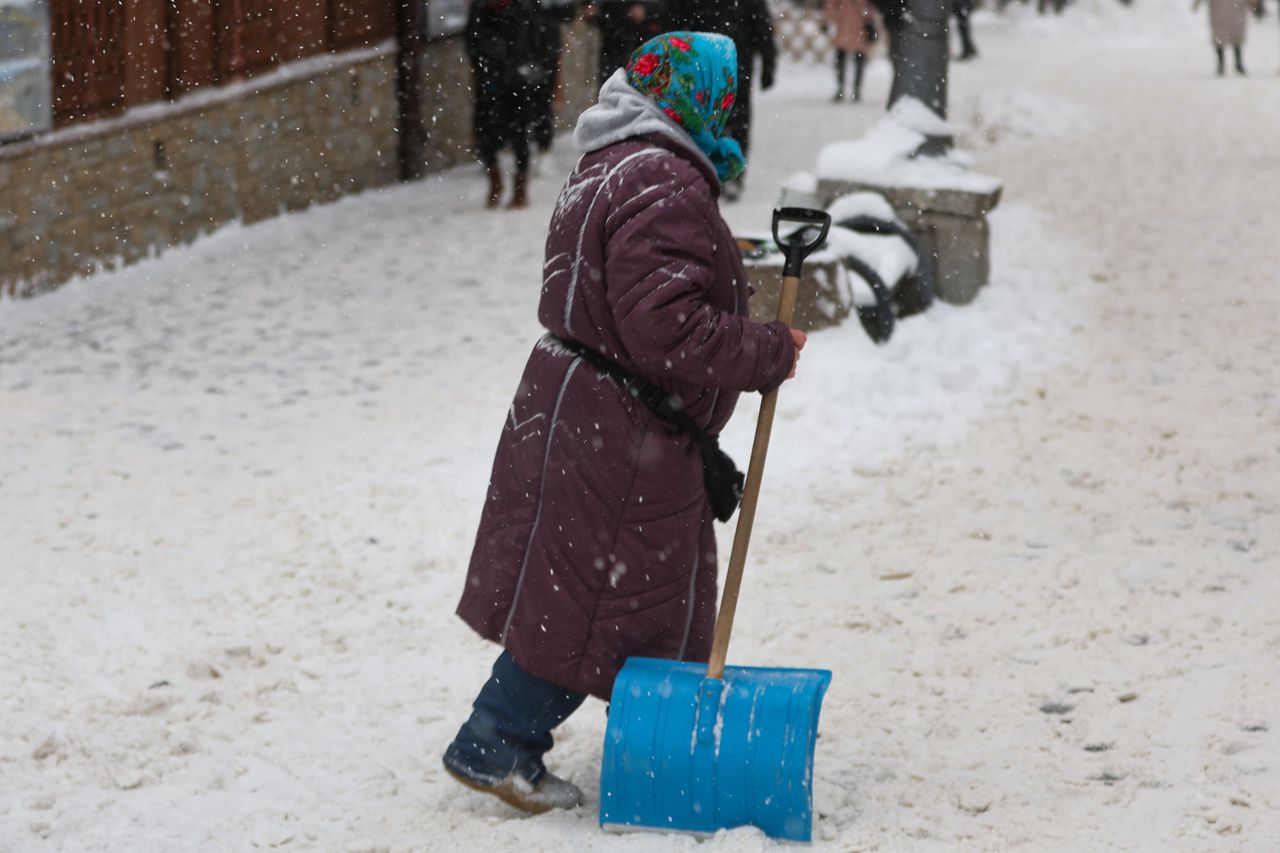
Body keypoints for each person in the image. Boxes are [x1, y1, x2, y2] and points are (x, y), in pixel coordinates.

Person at [442, 31, 804, 813]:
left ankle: (577, 729)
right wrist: (765, 348)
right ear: (694, 96)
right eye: (721, 92)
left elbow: (630, 283)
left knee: (585, 585)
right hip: (622, 427)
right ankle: (498, 737)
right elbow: (664, 326)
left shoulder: (617, 161)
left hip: (588, 410)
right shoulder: (662, 182)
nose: (727, 107)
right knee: (600, 597)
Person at [667, 0, 777, 200]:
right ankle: (706, 168)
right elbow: (678, 18)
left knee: (737, 120)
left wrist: (768, 66)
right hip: (704, 66)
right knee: (703, 120)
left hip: (735, 64)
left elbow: (762, 28)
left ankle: (733, 172)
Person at [466, 0, 554, 209]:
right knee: (484, 134)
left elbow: (539, 43)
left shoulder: (525, 9)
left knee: (519, 134)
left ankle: (520, 186)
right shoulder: (480, 11)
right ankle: (495, 180)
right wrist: (486, 62)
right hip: (489, 83)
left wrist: (525, 69)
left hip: (518, 83)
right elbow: (471, 44)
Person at [584, 1, 667, 86]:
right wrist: (593, 5)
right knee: (610, 85)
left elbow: (669, 8)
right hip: (611, 43)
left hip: (641, 40)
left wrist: (646, 9)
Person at [824, 0, 880, 101]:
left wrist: (827, 20)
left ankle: (841, 89)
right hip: (858, 26)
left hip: (844, 25)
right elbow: (871, 8)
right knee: (858, 60)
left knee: (842, 58)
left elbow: (831, 6)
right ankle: (855, 90)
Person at [1193, 0, 1251, 75]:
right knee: (1221, 36)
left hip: (1233, 9)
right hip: (1221, 9)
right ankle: (1223, 64)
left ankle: (1236, 63)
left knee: (1235, 35)